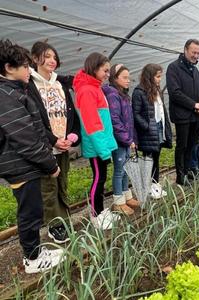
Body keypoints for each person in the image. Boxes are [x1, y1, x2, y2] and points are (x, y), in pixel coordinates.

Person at [0, 39, 64, 273]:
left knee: (33, 209)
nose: (29, 70)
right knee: (29, 212)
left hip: (23, 164)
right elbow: (25, 138)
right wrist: (50, 164)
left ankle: (35, 250)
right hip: (19, 164)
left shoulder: (13, 91)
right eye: (25, 66)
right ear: (9, 68)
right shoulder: (6, 96)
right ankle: (33, 260)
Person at [27, 41, 80, 244]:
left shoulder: (60, 84)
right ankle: (54, 226)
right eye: (46, 56)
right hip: (45, 146)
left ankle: (63, 219)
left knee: (62, 182)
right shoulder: (30, 85)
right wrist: (53, 140)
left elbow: (71, 112)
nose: (51, 60)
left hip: (63, 144)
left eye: (54, 57)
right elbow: (35, 119)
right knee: (48, 187)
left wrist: (72, 136)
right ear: (34, 58)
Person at [73, 52, 119, 229]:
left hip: (101, 143)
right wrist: (103, 148)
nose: (108, 74)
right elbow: (92, 123)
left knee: (102, 177)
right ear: (94, 68)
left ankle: (100, 210)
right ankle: (95, 214)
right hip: (96, 145)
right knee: (98, 178)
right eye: (105, 70)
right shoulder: (86, 90)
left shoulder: (94, 87)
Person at [102, 64, 139, 216]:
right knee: (119, 170)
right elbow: (115, 120)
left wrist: (131, 138)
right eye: (124, 77)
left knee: (125, 169)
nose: (128, 80)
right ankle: (118, 202)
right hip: (118, 141)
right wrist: (126, 138)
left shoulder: (123, 94)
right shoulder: (112, 94)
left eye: (129, 78)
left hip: (125, 139)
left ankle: (126, 196)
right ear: (114, 78)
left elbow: (129, 120)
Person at [166, 39, 199, 185]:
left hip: (195, 115)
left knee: (191, 144)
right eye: (193, 52)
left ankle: (188, 171)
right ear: (185, 50)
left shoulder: (194, 70)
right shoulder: (174, 68)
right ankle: (180, 176)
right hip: (182, 115)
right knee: (182, 146)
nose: (196, 55)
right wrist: (193, 104)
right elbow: (175, 92)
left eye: (198, 53)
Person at [132, 63, 172, 199]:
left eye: (160, 76)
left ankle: (155, 185)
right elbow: (136, 113)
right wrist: (147, 126)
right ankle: (147, 187)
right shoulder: (139, 92)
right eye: (157, 76)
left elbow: (161, 109)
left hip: (158, 128)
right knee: (148, 159)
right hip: (148, 131)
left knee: (156, 157)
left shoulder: (157, 90)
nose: (160, 79)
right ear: (149, 76)